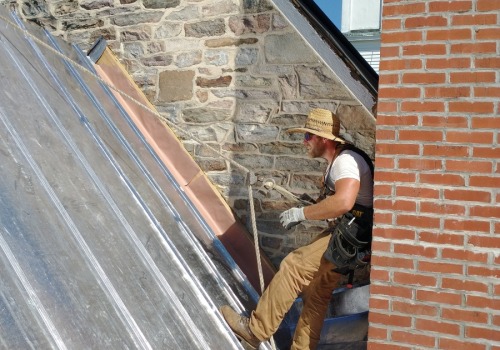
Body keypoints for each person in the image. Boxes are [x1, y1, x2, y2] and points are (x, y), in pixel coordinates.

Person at [220, 108, 374, 350]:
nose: (304, 143)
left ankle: (254, 330)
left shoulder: (345, 162)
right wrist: (309, 209)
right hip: (350, 236)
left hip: (350, 238)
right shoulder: (338, 160)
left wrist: (301, 213)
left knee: (294, 267)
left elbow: (344, 202)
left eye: (307, 137)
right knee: (316, 293)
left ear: (323, 139)